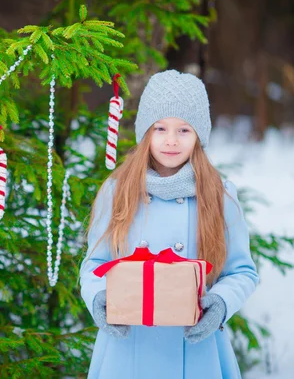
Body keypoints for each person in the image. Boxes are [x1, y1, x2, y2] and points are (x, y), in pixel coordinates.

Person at [79, 70, 260, 378]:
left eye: (184, 130)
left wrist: (219, 304)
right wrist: (99, 298)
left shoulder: (219, 194)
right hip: (127, 350)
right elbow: (94, 264)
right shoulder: (118, 191)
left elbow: (242, 272)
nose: (171, 141)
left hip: (195, 350)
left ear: (199, 135)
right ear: (145, 132)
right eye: (160, 128)